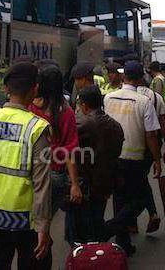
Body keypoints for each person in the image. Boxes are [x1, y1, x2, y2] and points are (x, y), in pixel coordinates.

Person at [0, 62, 52, 269]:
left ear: (6, 89)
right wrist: (43, 227)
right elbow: (41, 184)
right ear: (34, 89)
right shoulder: (37, 127)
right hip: (24, 221)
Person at [102, 60, 162, 256]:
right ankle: (111, 228)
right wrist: (157, 159)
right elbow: (151, 135)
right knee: (137, 198)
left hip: (112, 157)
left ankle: (123, 243)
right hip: (135, 158)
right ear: (139, 79)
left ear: (123, 76)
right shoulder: (144, 102)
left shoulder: (108, 98)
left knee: (119, 199)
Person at [66, 85, 123, 245]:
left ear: (83, 105)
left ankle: (85, 257)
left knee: (82, 228)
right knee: (97, 219)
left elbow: (69, 149)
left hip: (86, 183)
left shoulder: (82, 124)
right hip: (105, 182)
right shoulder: (115, 125)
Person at [29, 66, 81, 217]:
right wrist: (74, 184)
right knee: (44, 219)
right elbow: (69, 151)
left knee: (29, 220)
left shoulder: (29, 106)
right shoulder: (65, 111)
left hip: (29, 170)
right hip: (54, 175)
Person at [135, 79, 165, 234]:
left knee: (136, 183)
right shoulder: (157, 97)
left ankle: (140, 217)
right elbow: (163, 126)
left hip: (133, 143)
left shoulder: (128, 96)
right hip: (152, 146)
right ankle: (151, 213)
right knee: (141, 179)